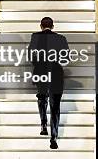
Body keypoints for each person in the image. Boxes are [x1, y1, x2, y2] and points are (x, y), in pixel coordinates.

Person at [27, 17, 69, 149]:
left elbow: (30, 55)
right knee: (55, 106)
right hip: (56, 73)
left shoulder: (35, 37)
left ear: (41, 26)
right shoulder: (61, 38)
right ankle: (53, 138)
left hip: (41, 71)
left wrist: (38, 64)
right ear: (53, 26)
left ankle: (43, 124)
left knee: (42, 97)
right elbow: (66, 57)